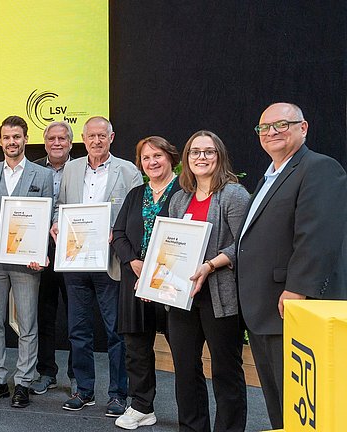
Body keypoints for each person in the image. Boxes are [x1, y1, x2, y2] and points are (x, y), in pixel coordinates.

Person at [237, 103, 347, 429]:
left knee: (302, 405)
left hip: (292, 307)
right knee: (278, 403)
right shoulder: (271, 174)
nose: (271, 132)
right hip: (264, 310)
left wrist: (298, 289)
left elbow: (318, 235)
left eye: (281, 124)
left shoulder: (320, 168)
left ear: (304, 128)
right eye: (264, 127)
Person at [51, 116, 141, 414]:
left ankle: (118, 394)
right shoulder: (72, 169)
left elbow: (136, 217)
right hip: (75, 262)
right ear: (84, 139)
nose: (97, 141)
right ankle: (84, 390)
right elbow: (60, 206)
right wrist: (55, 225)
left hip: (111, 263)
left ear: (111, 138)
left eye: (102, 135)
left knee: (116, 331)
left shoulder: (128, 171)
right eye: (91, 136)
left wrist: (117, 232)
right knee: (78, 330)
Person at [167, 130, 250, 432]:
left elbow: (245, 244)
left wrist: (210, 265)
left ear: (220, 157)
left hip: (220, 296)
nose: (201, 157)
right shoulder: (180, 198)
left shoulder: (234, 195)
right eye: (195, 152)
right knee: (186, 371)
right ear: (187, 159)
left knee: (226, 372)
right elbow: (172, 244)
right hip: (183, 296)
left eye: (209, 152)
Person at [0, 115, 53, 409]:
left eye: (17, 137)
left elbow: (47, 217)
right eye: (7, 137)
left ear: (25, 139)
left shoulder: (41, 175)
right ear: (0, 141)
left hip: (26, 261)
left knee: (27, 322)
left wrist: (40, 252)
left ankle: (23, 382)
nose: (12, 142)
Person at [111, 136, 180, 429]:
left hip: (173, 283)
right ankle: (141, 406)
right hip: (136, 281)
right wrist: (132, 263)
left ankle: (191, 414)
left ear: (170, 157)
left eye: (157, 156)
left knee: (183, 348)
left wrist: (158, 268)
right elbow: (119, 233)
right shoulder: (136, 194)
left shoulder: (184, 191)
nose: (152, 162)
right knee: (136, 347)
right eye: (146, 158)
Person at [30, 121, 74, 395]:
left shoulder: (83, 169)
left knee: (76, 316)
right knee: (44, 314)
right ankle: (46, 372)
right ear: (45, 142)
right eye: (52, 138)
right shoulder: (32, 169)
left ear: (70, 143)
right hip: (40, 250)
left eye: (62, 138)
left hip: (73, 250)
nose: (57, 143)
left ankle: (77, 375)